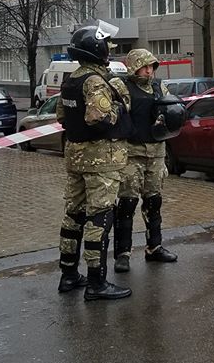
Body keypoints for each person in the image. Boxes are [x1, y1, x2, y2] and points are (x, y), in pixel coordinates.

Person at [55, 22, 131, 301]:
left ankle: (69, 274)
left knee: (73, 214)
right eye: (107, 47)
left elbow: (61, 117)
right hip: (101, 160)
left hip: (76, 157)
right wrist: (120, 109)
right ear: (97, 50)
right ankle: (97, 282)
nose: (109, 51)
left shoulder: (71, 79)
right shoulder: (96, 81)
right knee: (99, 217)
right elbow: (98, 117)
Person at [110, 49, 180, 271]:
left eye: (151, 67)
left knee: (153, 201)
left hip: (156, 152)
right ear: (134, 67)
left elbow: (172, 110)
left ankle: (154, 247)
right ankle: (123, 253)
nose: (149, 71)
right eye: (144, 66)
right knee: (127, 203)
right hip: (131, 153)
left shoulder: (159, 87)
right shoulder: (121, 86)